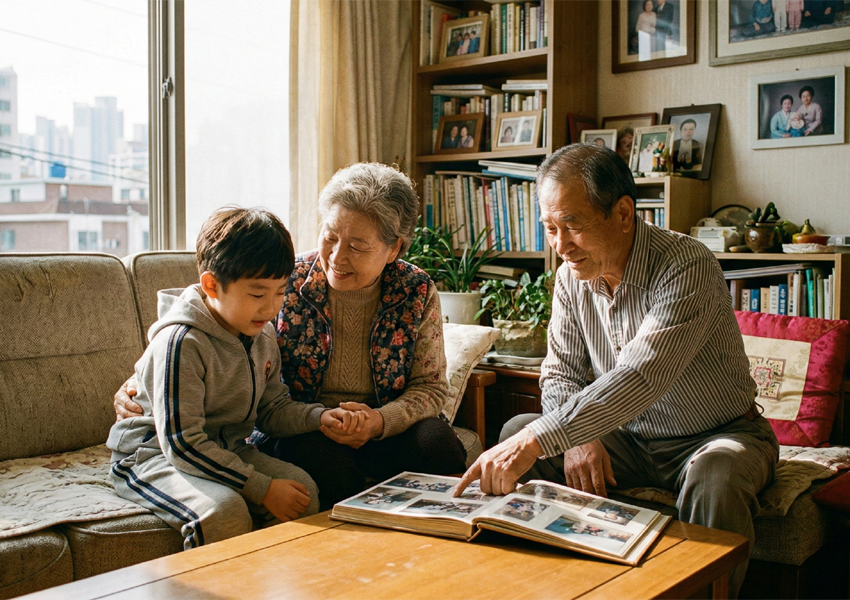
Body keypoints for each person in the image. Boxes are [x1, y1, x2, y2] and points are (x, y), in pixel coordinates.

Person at [453, 144, 779, 599]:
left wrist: (546, 437)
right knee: (519, 427)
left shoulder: (686, 264)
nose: (561, 245)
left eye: (573, 225)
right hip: (626, 438)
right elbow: (561, 373)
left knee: (717, 475)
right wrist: (577, 437)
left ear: (623, 213)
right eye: (550, 228)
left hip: (717, 435)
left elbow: (640, 376)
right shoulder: (572, 275)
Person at [115, 164, 467, 511]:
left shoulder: (415, 290)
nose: (336, 256)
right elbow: (208, 318)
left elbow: (431, 388)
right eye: (330, 236)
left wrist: (379, 421)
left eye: (357, 246)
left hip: (381, 426)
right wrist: (138, 383)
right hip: (302, 427)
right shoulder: (285, 281)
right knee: (329, 469)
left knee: (441, 445)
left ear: (394, 249)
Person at [107, 207, 364, 550]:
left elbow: (272, 409)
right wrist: (261, 487)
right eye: (258, 294)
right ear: (212, 285)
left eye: (279, 292)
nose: (271, 307)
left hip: (227, 448)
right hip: (152, 457)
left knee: (303, 489)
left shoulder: (262, 334)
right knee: (224, 511)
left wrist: (318, 417)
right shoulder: (182, 343)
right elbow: (182, 444)